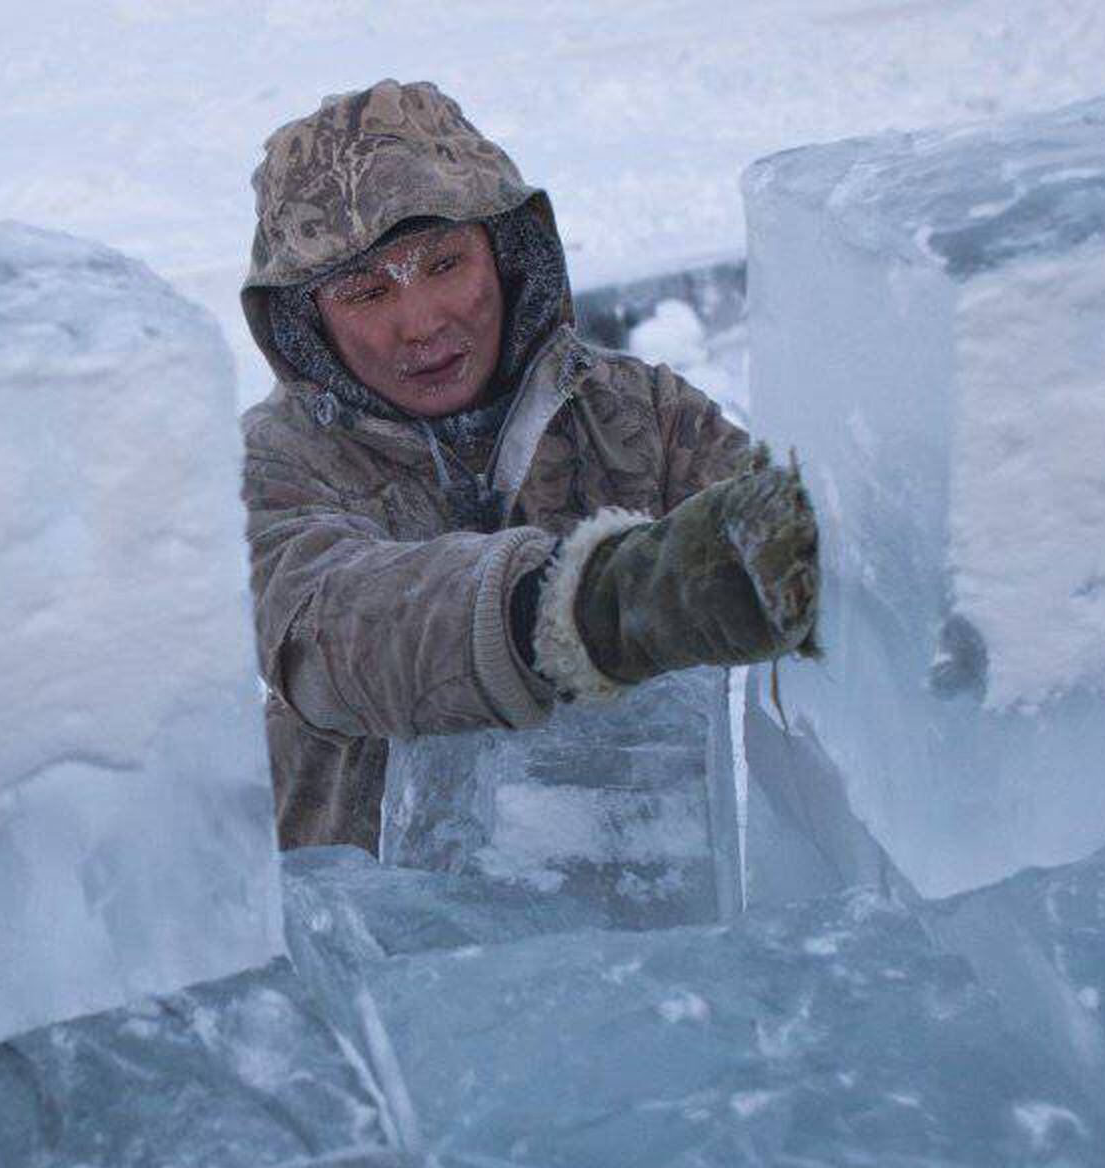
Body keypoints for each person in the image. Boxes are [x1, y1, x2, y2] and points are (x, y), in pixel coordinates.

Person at [240, 79, 819, 854]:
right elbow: (325, 636)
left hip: (640, 918)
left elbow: (807, 536)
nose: (421, 323)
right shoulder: (268, 465)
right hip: (369, 948)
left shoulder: (640, 413)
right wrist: (587, 603)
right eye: (366, 291)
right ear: (308, 322)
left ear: (508, 257)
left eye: (444, 263)